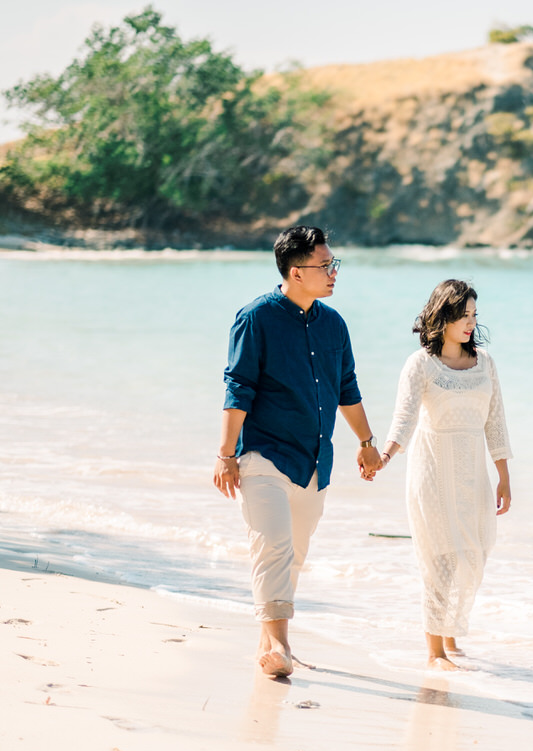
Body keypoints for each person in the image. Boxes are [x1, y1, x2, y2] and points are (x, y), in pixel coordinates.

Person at [213, 225, 384, 678]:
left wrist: (367, 443)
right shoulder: (256, 319)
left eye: (334, 264)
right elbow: (239, 388)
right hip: (264, 455)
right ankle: (282, 647)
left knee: (295, 555)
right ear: (295, 271)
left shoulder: (334, 324)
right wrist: (225, 454)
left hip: (313, 461)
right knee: (272, 545)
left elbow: (346, 388)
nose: (333, 273)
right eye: (325, 266)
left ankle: (267, 641)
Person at [380, 279, 512, 671]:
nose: (470, 322)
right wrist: (384, 456)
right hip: (433, 466)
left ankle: (449, 632)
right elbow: (403, 420)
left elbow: (496, 421)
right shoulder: (421, 363)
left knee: (473, 552)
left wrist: (503, 475)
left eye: (474, 314)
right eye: (463, 314)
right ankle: (435, 652)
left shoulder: (485, 362)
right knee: (438, 557)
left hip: (472, 468)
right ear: (443, 315)